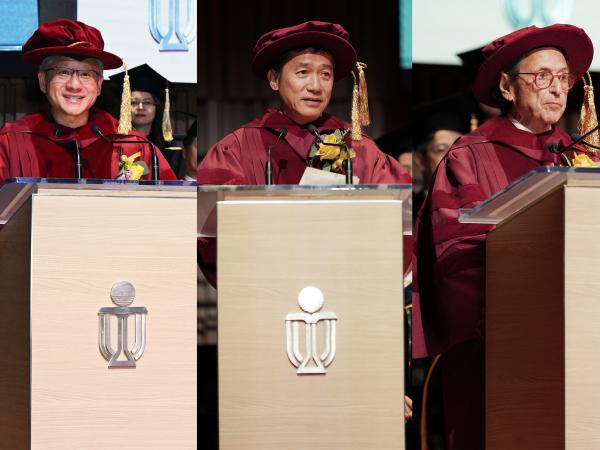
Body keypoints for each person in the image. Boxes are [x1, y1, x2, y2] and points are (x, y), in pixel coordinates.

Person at [413, 24, 594, 449]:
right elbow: (455, 257)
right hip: (498, 350)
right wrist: (523, 312)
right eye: (542, 76)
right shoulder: (470, 157)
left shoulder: (582, 158)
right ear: (507, 87)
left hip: (582, 346)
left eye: (563, 78)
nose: (556, 89)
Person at [197, 21, 410, 185]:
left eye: (325, 74)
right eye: (303, 72)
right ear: (274, 79)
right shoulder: (238, 148)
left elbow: (396, 213)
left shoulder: (360, 146)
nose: (316, 86)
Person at [0, 19, 176, 183]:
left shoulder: (134, 146)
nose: (74, 85)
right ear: (43, 81)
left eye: (86, 74)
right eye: (63, 72)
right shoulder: (11, 142)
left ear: (99, 85)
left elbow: (174, 207)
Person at [109, 64, 184, 177]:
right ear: (124, 106)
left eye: (147, 102)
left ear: (156, 107)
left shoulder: (170, 147)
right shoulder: (114, 143)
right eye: (134, 102)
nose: (140, 107)